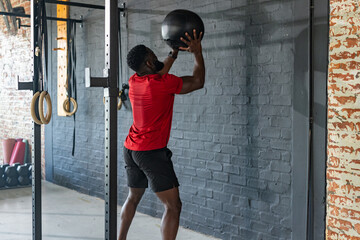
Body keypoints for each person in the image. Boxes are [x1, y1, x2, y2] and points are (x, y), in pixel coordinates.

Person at [118, 29, 205, 240]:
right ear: (148, 63)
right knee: (173, 206)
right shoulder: (161, 85)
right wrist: (197, 52)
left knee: (133, 197)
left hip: (131, 148)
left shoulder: (134, 80)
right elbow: (197, 81)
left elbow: (159, 70)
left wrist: (174, 53)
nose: (157, 56)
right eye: (152, 55)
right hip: (150, 153)